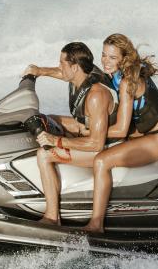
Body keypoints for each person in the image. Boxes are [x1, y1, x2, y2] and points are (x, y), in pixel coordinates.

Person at [84, 34, 158, 233]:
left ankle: (96, 224)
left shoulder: (128, 82)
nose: (105, 61)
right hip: (144, 133)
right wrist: (38, 71)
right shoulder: (116, 74)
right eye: (103, 55)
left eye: (112, 58)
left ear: (123, 59)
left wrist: (91, 132)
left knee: (102, 161)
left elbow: (119, 130)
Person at [24, 42, 118, 225]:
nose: (59, 67)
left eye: (62, 63)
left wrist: (57, 141)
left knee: (44, 154)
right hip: (90, 131)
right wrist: (38, 71)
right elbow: (62, 74)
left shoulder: (96, 95)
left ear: (75, 67)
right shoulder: (81, 76)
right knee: (49, 120)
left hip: (107, 147)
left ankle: (52, 217)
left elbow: (96, 144)